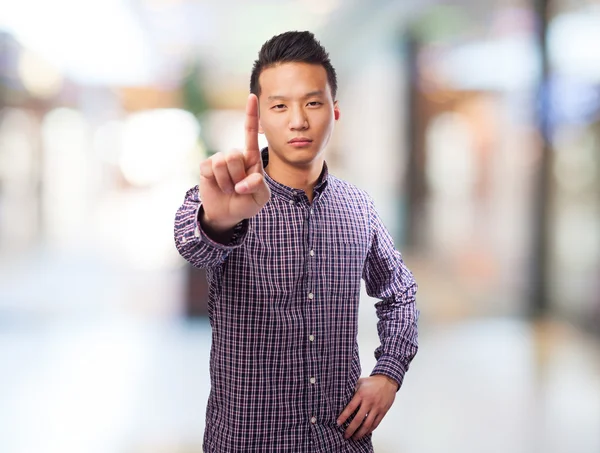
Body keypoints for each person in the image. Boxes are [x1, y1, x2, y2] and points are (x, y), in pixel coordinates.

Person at [174, 30, 419, 453]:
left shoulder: (358, 207)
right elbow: (192, 243)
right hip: (247, 442)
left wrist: (388, 373)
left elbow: (400, 292)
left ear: (334, 111)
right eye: (280, 106)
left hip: (339, 441)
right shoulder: (228, 197)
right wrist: (219, 220)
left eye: (312, 102)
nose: (298, 121)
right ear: (260, 115)